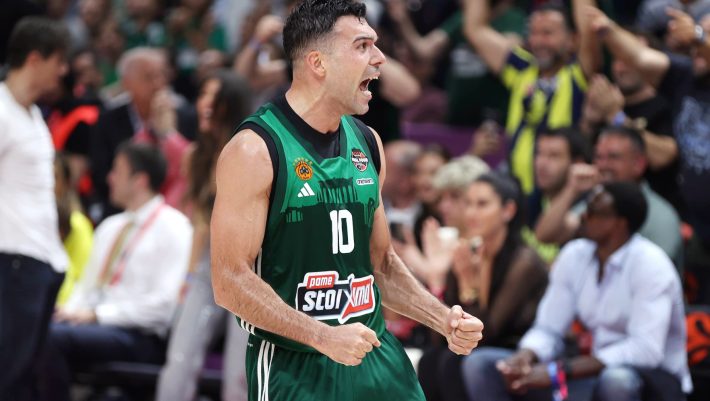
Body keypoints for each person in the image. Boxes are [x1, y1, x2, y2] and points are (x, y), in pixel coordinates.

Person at [210, 1, 484, 400]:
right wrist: (323, 336)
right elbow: (229, 282)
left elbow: (381, 264)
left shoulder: (368, 143)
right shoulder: (254, 150)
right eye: (362, 46)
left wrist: (442, 319)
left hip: (376, 355)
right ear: (318, 63)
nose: (379, 58)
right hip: (297, 367)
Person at [462, 182, 692, 401]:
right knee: (482, 365)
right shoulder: (575, 254)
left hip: (653, 381)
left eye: (593, 212)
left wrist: (561, 371)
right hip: (590, 371)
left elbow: (645, 350)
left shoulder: (651, 265)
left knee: (616, 380)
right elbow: (549, 328)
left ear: (619, 224)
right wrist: (525, 356)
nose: (582, 216)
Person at [41, 142, 192, 401]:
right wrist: (69, 311)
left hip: (139, 334)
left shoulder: (175, 228)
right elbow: (86, 287)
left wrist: (98, 315)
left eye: (117, 171)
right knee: (30, 328)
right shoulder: (111, 226)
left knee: (50, 338)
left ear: (140, 180)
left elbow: (164, 306)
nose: (109, 178)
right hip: (99, 325)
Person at [585, 4, 710, 302]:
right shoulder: (686, 76)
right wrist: (607, 28)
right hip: (702, 232)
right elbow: (640, 57)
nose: (696, 47)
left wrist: (697, 34)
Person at [156, 70, 252, 401]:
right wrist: (187, 276)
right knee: (179, 362)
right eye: (202, 95)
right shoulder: (196, 156)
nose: (203, 104)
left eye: (212, 96)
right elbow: (201, 223)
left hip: (253, 269)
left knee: (240, 374)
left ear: (230, 104)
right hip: (209, 266)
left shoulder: (252, 150)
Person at [418, 172, 548, 401]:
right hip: (479, 350)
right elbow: (441, 336)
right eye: (468, 204)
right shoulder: (468, 252)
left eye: (482, 204)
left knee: (454, 361)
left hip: (519, 354)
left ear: (508, 210)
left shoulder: (524, 263)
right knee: (431, 358)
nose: (471, 213)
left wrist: (469, 286)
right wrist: (438, 279)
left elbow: (487, 334)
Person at [462, 0, 601, 194]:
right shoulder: (521, 70)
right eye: (533, 33)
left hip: (561, 193)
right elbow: (475, 30)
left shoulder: (578, 74)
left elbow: (589, 26)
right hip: (516, 191)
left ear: (572, 40)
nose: (538, 41)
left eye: (547, 33)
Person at [0, 17, 70, 400]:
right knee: (9, 377)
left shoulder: (33, 115)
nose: (63, 70)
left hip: (41, 262)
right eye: (58, 60)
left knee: (27, 378)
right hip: (12, 261)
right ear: (34, 59)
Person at [535, 126, 682, 264]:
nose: (603, 165)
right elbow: (545, 235)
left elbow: (655, 271)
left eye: (613, 157)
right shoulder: (595, 204)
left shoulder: (661, 216)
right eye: (599, 157)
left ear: (638, 164)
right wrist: (571, 189)